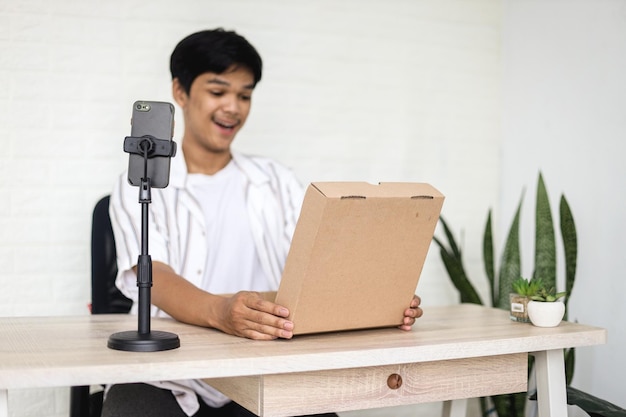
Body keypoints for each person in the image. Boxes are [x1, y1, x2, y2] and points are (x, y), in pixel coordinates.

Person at [104, 28, 423, 417]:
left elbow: (319, 273)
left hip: (262, 370)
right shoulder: (138, 183)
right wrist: (222, 312)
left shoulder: (277, 181)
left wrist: (377, 301)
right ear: (180, 92)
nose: (233, 108)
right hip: (169, 374)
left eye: (245, 95)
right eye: (218, 92)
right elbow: (156, 278)